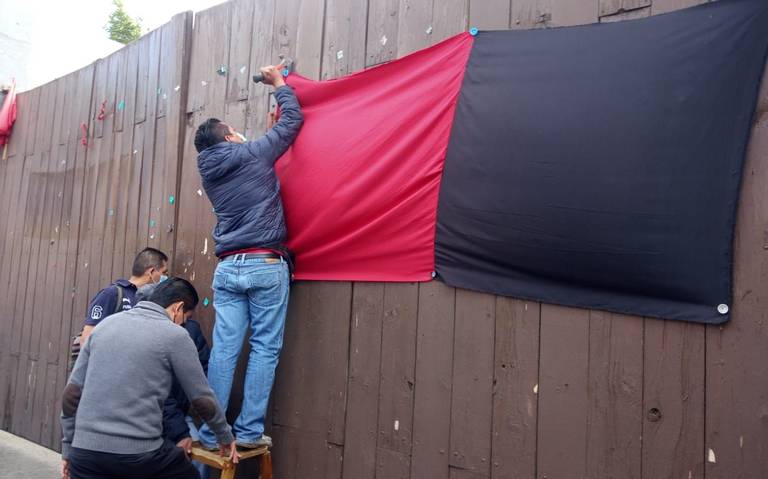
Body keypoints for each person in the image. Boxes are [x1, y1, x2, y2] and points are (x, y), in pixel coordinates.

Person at [193, 62, 303, 449]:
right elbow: (291, 123)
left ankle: (209, 433)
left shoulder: (208, 171)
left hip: (228, 269)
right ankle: (249, 431)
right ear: (228, 136)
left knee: (224, 351)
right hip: (264, 263)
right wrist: (279, 84)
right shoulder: (252, 154)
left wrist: (236, 143)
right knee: (264, 349)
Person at [60, 278, 237, 479]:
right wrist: (223, 435)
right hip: (139, 455)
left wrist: (68, 451)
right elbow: (202, 399)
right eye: (185, 318)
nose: (183, 324)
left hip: (85, 454)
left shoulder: (104, 326)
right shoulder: (175, 335)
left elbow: (71, 395)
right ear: (177, 308)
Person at [136, 283, 212, 479]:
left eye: (188, 318)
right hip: (142, 416)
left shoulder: (191, 331)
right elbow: (160, 391)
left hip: (177, 414)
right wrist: (180, 432)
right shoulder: (138, 332)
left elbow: (203, 373)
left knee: (198, 457)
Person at [80, 247, 169, 345]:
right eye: (164, 273)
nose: (166, 278)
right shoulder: (111, 294)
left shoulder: (153, 300)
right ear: (151, 272)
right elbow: (87, 338)